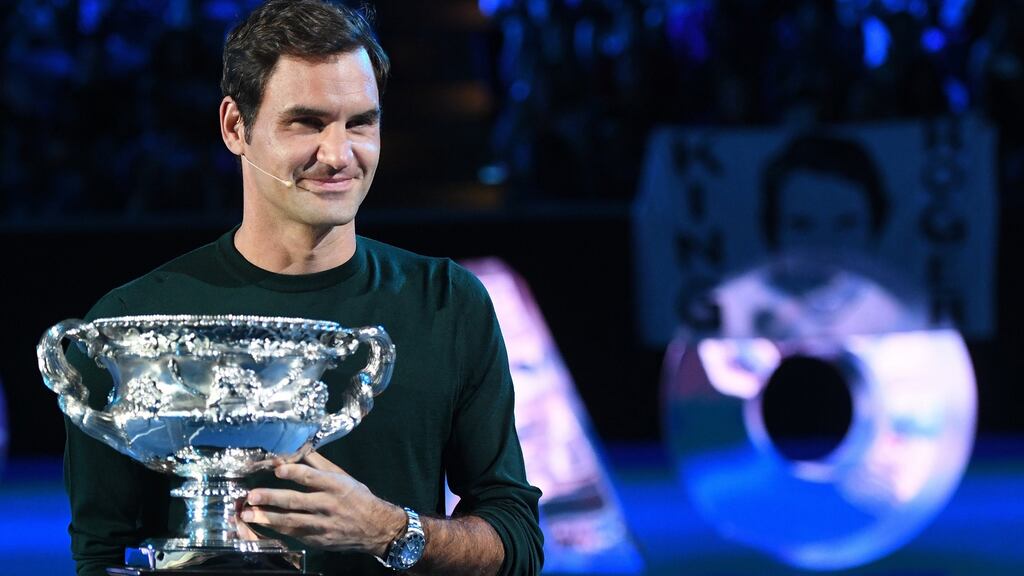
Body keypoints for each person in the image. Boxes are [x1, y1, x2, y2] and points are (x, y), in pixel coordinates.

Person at [62, 1, 543, 575]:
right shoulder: (133, 324)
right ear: (235, 127)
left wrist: (389, 530)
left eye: (360, 123)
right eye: (307, 123)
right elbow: (101, 557)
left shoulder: (447, 303)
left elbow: (517, 543)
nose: (339, 155)